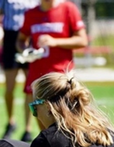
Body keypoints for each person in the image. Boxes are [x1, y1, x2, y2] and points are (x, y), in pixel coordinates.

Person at [17, 0, 88, 132]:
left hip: (61, 76)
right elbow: (21, 40)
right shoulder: (31, 14)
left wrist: (55, 41)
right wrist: (26, 52)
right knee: (43, 125)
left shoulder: (68, 9)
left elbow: (82, 40)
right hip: (38, 74)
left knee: (68, 121)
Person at [0, 0, 39, 141]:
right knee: (9, 88)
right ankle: (11, 121)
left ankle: (27, 128)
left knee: (30, 88)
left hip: (29, 38)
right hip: (11, 38)